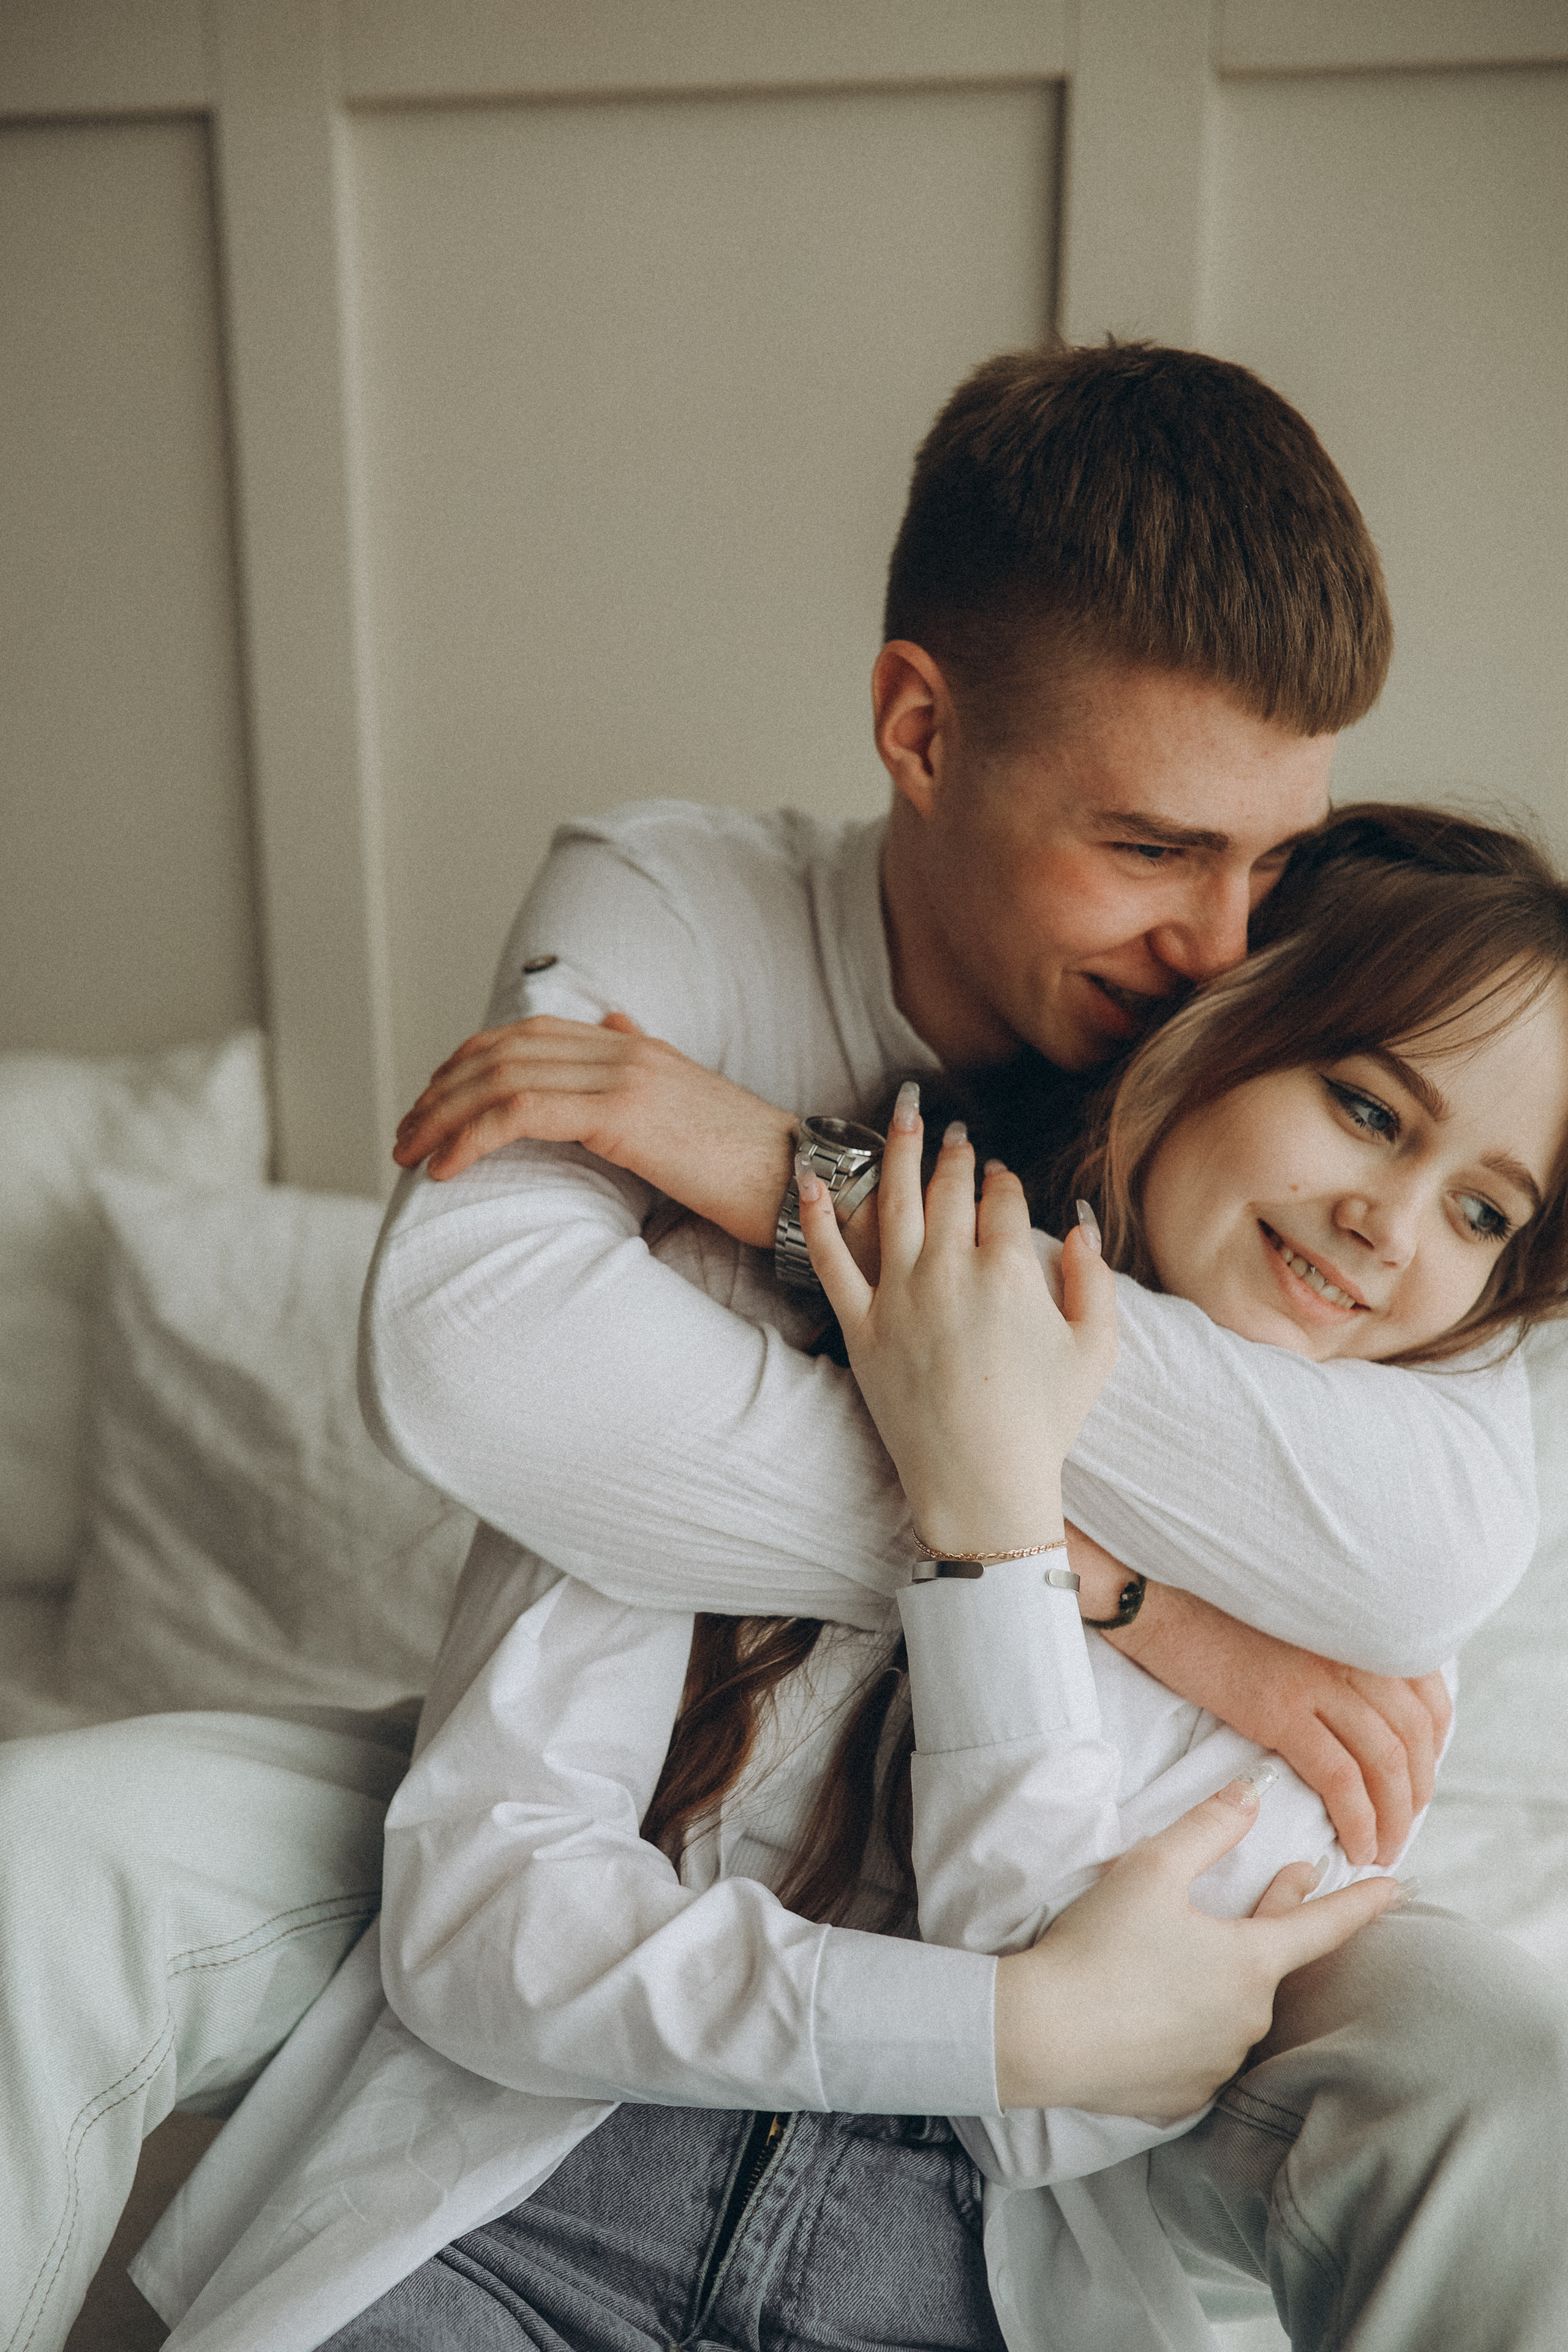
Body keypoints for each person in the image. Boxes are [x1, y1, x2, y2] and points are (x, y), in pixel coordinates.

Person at [0, 341, 1534, 2351]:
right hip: (626, 1855)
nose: (1231, 952)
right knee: (49, 1855)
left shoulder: (1355, 1183)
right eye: (1153, 850)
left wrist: (753, 1155)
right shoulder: (681, 912)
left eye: (1277, 865)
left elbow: (1417, 1564)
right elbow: (484, 1373)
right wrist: (1117, 1586)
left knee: (1522, 2081)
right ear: (919, 727)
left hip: (1020, 2094)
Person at [135, 807, 1568, 2352]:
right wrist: (1016, 2010)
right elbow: (484, 1925)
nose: (1390, 1225)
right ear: (1203, 1035)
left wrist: (1000, 1526)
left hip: (955, 2292)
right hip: (521, 2208)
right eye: (1364, 1108)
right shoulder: (723, 1317)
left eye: (1483, 1210)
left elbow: (1056, 2121)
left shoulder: (1349, 1619)